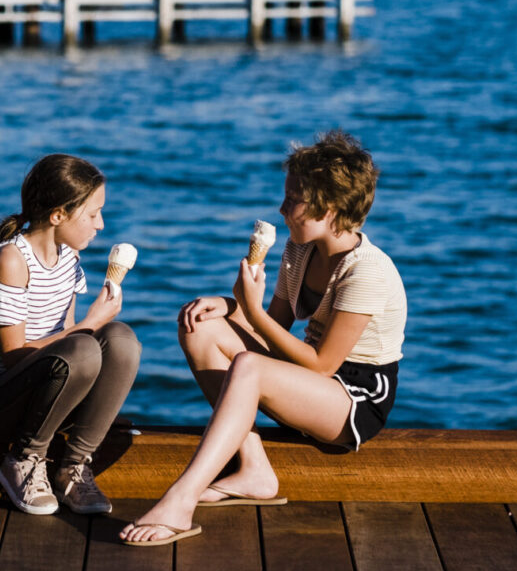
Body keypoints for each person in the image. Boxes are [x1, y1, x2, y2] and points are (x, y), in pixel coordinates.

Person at [119, 130, 406, 547]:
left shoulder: (368, 272)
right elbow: (274, 323)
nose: (282, 208)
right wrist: (229, 305)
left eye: (294, 199)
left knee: (249, 366)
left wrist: (249, 311)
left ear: (329, 209)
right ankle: (254, 468)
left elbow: (323, 364)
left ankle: (180, 501)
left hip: (356, 399)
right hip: (310, 381)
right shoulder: (300, 248)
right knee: (199, 324)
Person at [0, 154, 138, 516]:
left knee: (121, 339)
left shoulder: (68, 257)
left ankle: (73, 465)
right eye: (92, 215)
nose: (101, 225)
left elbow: (68, 339)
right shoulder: (11, 261)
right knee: (86, 343)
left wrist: (91, 330)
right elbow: (14, 355)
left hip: (48, 392)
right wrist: (89, 324)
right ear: (58, 215)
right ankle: (23, 460)